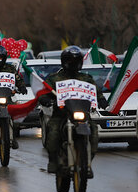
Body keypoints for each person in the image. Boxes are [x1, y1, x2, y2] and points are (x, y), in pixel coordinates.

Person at [39, 46, 107, 176]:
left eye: (76, 61)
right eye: (70, 61)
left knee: (93, 130)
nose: (73, 63)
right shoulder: (54, 78)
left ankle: (87, 164)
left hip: (82, 115)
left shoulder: (86, 78)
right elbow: (44, 92)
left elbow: (96, 92)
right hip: (61, 114)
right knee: (52, 130)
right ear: (64, 61)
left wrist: (102, 100)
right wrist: (45, 99)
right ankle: (53, 160)